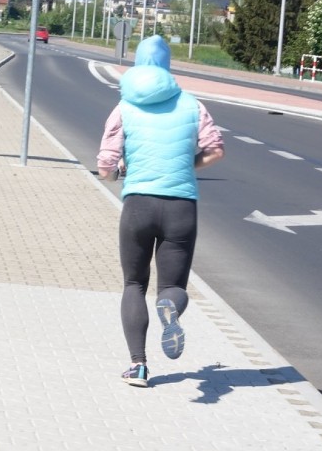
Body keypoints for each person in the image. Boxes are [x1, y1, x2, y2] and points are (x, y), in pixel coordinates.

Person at [96, 35, 225, 388]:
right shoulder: (192, 105)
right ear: (169, 66)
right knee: (173, 285)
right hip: (181, 206)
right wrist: (186, 165)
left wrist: (120, 172)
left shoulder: (124, 107)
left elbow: (106, 166)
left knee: (134, 283)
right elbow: (216, 151)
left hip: (138, 204)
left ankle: (138, 365)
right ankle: (170, 309)